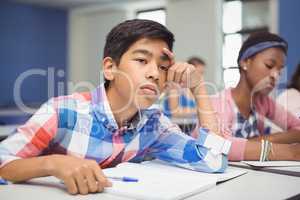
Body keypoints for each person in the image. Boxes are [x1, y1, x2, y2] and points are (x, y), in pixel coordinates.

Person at [0, 19, 231, 195]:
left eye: (162, 67)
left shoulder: (154, 125)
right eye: (142, 60)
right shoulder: (63, 113)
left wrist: (199, 89)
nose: (154, 73)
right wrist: (51, 164)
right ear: (110, 68)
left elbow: (213, 162)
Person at [196, 32, 300, 161]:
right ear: (245, 62)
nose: (275, 75)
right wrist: (289, 151)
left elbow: (298, 128)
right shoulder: (218, 103)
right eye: (269, 65)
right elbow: (217, 145)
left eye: (280, 70)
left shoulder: (264, 103)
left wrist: (260, 140)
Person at [160, 56, 215, 135]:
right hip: (172, 130)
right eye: (199, 73)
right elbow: (175, 112)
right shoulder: (175, 87)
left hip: (190, 128)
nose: (200, 77)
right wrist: (201, 109)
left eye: (202, 73)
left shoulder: (196, 91)